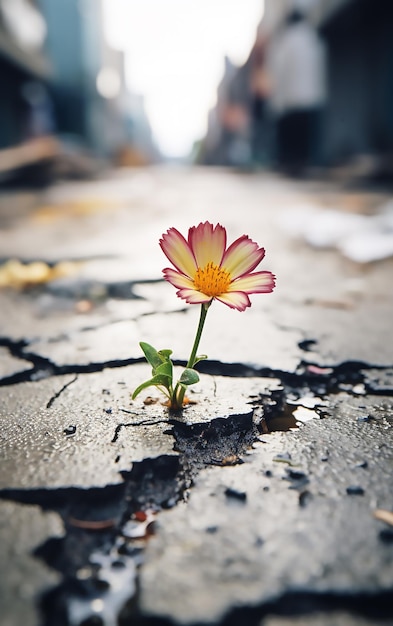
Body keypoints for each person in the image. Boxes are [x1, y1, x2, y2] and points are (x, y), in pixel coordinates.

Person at [268, 9, 327, 176]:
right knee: (306, 139)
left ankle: (294, 167)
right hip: (311, 99)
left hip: (291, 101)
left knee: (293, 141)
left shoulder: (286, 41)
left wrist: (276, 103)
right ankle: (306, 165)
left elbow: (279, 73)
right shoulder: (313, 37)